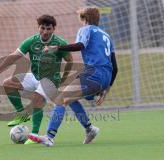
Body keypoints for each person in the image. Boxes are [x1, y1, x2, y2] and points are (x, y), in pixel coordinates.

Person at [28, 7, 118, 146]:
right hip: (105, 77)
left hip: (93, 74)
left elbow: (80, 45)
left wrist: (56, 47)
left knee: (60, 99)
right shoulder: (107, 35)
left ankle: (49, 137)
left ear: (85, 19)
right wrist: (107, 89)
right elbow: (115, 67)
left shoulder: (86, 29)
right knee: (69, 98)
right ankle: (90, 129)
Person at [0, 15, 73, 144]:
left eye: (48, 29)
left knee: (37, 99)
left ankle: (34, 134)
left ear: (54, 29)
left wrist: (65, 77)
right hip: (35, 76)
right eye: (42, 28)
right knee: (8, 83)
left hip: (50, 80)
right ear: (38, 27)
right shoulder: (31, 41)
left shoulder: (60, 43)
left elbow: (70, 60)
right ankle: (21, 115)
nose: (45, 31)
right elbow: (13, 56)